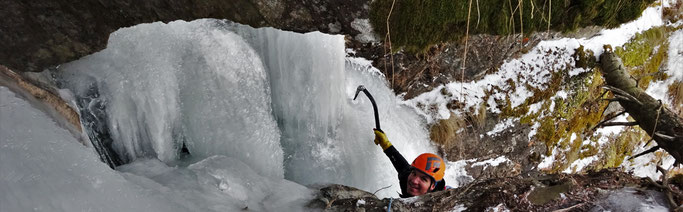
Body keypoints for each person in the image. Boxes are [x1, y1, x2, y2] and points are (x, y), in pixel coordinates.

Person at [373, 129, 447, 198]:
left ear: (433, 186)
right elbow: (399, 162)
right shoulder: (406, 176)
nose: (414, 181)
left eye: (423, 179)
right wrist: (385, 144)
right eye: (414, 173)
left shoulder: (443, 201)